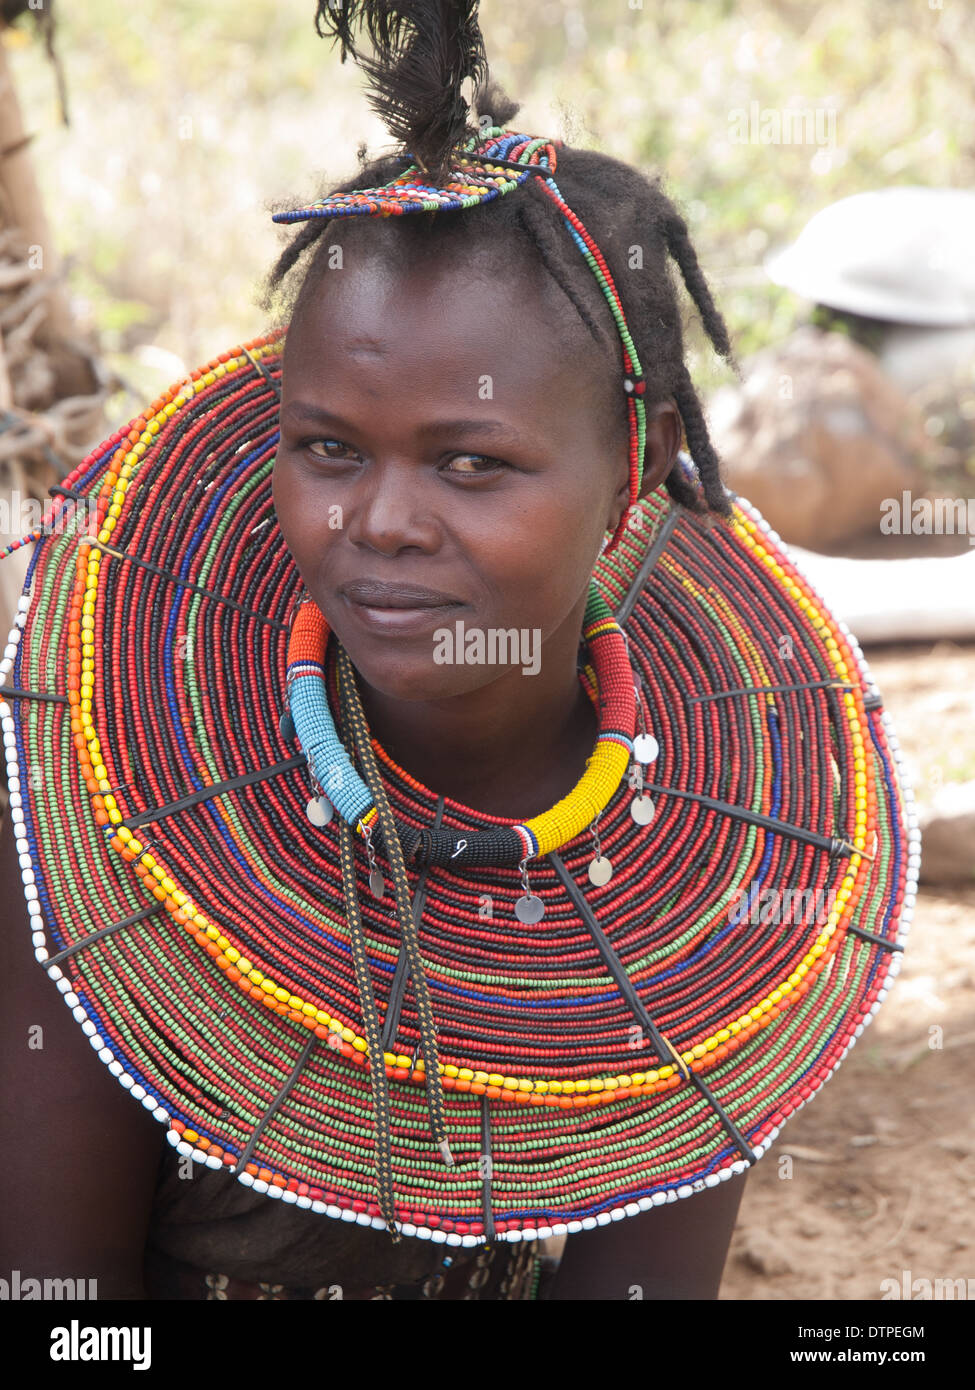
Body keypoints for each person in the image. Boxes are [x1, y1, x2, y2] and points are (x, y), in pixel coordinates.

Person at [0, 1, 915, 1301]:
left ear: (633, 481)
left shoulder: (709, 900)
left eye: (472, 463)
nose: (377, 522)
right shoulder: (115, 799)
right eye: (328, 448)